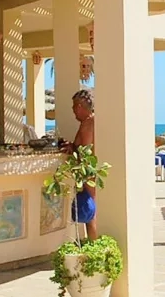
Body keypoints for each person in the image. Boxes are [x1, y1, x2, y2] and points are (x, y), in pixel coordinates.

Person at [61, 89, 98, 241]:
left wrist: (73, 149)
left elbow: (86, 151)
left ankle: (93, 243)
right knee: (90, 210)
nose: (73, 111)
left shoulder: (88, 124)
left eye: (74, 107)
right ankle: (92, 244)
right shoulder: (89, 122)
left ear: (80, 107)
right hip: (89, 173)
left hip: (89, 174)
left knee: (91, 212)